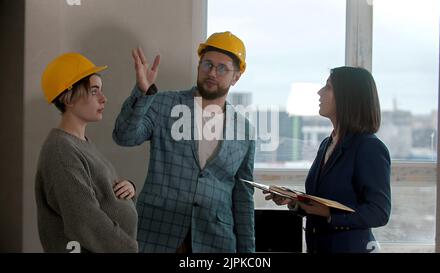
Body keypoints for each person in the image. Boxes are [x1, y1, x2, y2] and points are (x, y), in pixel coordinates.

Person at [113, 31, 255, 253]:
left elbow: (243, 197)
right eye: (207, 64)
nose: (212, 73)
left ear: (236, 77)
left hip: (215, 241)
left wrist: (248, 254)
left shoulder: (245, 130)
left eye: (222, 68)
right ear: (199, 65)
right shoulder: (163, 104)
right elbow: (124, 136)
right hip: (158, 233)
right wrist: (142, 92)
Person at [266, 66, 391, 253]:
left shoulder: (369, 147)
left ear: (347, 97)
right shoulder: (327, 143)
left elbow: (379, 212)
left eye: (328, 87)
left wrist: (330, 214)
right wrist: (294, 201)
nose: (319, 92)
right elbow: (324, 200)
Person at [35, 52, 138, 252]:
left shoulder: (80, 144)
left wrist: (128, 190)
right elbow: (84, 220)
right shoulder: (61, 150)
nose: (104, 98)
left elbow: (101, 194)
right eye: (94, 91)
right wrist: (130, 248)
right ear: (69, 98)